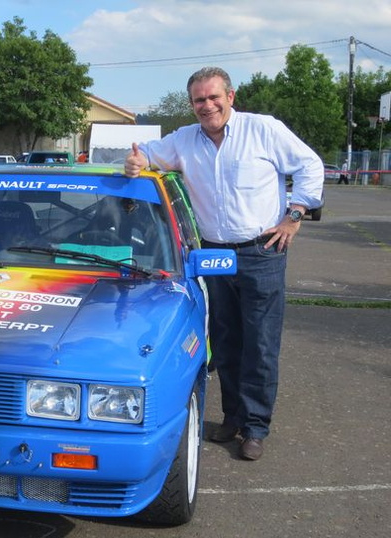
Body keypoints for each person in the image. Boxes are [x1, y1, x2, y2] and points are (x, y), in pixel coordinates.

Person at [124, 67, 323, 461]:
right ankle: (232, 418)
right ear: (192, 104)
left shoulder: (263, 130)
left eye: (214, 97)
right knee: (225, 341)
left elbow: (311, 165)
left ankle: (255, 429)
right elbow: (146, 151)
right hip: (213, 255)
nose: (207, 105)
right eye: (199, 100)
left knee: (260, 345)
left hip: (262, 249)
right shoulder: (185, 140)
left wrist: (295, 215)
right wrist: (136, 161)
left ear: (231, 96)